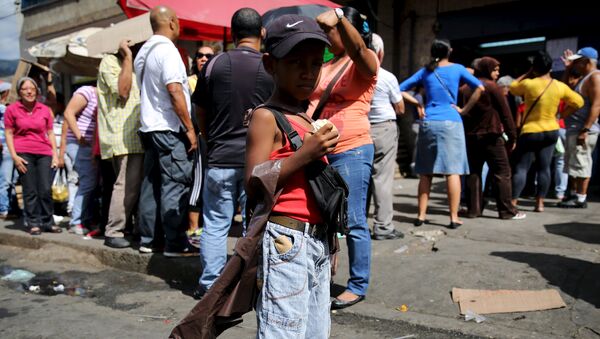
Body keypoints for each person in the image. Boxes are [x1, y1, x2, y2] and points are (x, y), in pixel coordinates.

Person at [246, 14, 336, 337]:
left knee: (316, 331)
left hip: (317, 240)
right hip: (286, 240)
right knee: (282, 331)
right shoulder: (265, 117)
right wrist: (305, 154)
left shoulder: (306, 117)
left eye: (315, 64)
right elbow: (254, 183)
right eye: (296, 62)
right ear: (270, 65)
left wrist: (331, 242)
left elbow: (317, 190)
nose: (307, 72)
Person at [192, 7, 273, 298]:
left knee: (215, 224)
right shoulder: (270, 66)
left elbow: (199, 110)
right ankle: (252, 282)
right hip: (259, 162)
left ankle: (210, 284)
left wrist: (208, 136)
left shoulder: (214, 64)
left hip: (220, 158)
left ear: (233, 33)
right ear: (262, 33)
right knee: (255, 226)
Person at [310, 6, 379, 310]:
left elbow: (359, 48)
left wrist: (339, 18)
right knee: (322, 221)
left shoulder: (362, 61)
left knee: (352, 221)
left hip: (352, 149)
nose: (326, 35)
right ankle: (322, 275)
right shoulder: (324, 64)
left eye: (330, 31)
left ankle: (358, 284)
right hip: (319, 150)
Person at [400, 39, 484, 229]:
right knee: (452, 171)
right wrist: (464, 110)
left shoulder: (426, 71)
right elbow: (480, 88)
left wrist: (419, 104)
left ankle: (421, 216)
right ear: (450, 51)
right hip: (451, 122)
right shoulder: (458, 69)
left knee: (425, 172)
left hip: (429, 122)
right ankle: (453, 217)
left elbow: (400, 89)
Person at [134, 6, 197, 256]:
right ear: (172, 22)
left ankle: (149, 240)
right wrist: (189, 128)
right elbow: (174, 90)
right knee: (175, 183)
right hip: (169, 128)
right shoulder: (168, 51)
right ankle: (174, 243)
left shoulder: (143, 52)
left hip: (150, 127)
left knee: (151, 184)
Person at [509, 50, 583, 212]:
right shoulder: (559, 86)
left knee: (522, 168)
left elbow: (512, 87)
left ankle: (513, 202)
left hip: (530, 131)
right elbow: (578, 102)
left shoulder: (529, 84)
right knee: (544, 168)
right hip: (551, 130)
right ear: (550, 68)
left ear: (534, 68)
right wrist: (561, 115)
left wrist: (528, 73)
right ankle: (540, 203)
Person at [459, 57, 525, 220]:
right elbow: (505, 113)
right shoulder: (492, 87)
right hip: (492, 136)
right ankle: (506, 211)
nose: (498, 73)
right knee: (502, 172)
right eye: (495, 70)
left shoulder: (465, 89)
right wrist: (512, 136)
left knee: (474, 173)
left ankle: (473, 210)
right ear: (487, 69)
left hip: (471, 137)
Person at [98, 39, 145, 249]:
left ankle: (130, 228)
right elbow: (123, 90)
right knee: (126, 185)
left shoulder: (136, 63)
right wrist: (127, 57)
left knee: (135, 187)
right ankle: (113, 230)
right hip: (122, 136)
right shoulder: (110, 61)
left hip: (137, 134)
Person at [4, 77, 60, 235]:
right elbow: (8, 133)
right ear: (20, 92)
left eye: (32, 89)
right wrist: (14, 156)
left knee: (45, 189)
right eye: (25, 89)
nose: (29, 92)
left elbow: (50, 132)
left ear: (37, 91)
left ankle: (48, 221)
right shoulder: (12, 110)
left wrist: (55, 155)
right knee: (30, 190)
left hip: (43, 152)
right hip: (23, 152)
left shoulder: (44, 109)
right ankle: (33, 222)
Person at [367, 33, 405, 240]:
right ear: (380, 53)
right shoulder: (387, 77)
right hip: (383, 129)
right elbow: (400, 108)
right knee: (381, 179)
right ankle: (382, 226)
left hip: (361, 128)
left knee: (361, 179)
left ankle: (354, 224)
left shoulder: (353, 74)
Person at [558, 47, 600, 208]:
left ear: (587, 62)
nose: (575, 63)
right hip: (574, 128)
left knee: (582, 164)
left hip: (583, 130)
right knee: (574, 164)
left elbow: (597, 105)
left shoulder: (595, 77)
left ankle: (581, 198)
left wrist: (585, 129)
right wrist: (568, 68)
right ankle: (575, 195)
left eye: (577, 61)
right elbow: (564, 89)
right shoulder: (585, 77)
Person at [59, 85, 98, 235]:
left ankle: (85, 219)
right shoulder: (87, 91)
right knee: (87, 182)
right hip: (80, 144)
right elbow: (68, 113)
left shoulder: (101, 95)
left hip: (89, 145)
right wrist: (80, 137)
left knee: (90, 183)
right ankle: (76, 222)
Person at [0, 82, 19, 219]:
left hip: (14, 145)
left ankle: (12, 208)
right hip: (5, 145)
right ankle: (4, 209)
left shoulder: (10, 108)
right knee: (6, 179)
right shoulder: (3, 109)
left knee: (13, 179)